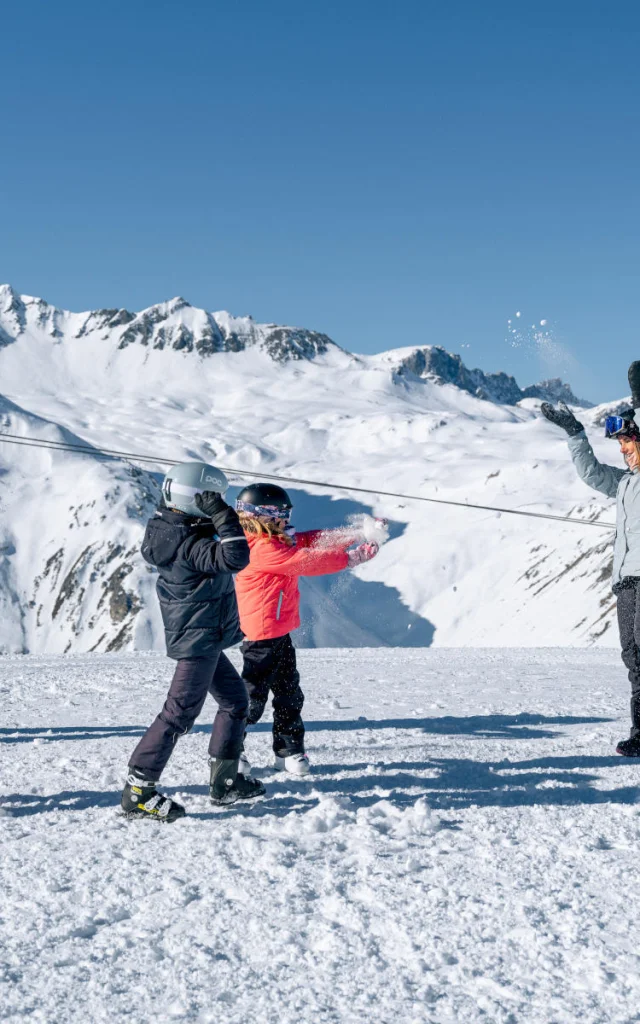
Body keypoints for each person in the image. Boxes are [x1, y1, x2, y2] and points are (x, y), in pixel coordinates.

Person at [120, 462, 265, 822]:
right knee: (179, 713)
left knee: (235, 700)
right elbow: (235, 556)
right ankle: (139, 791)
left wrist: (212, 514)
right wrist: (223, 515)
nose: (220, 503)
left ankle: (225, 782)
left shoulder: (171, 530)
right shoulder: (190, 544)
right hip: (199, 640)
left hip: (204, 636)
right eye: (215, 498)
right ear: (198, 499)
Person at [233, 483, 380, 775]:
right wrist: (350, 558)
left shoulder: (276, 539)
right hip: (259, 636)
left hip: (280, 631)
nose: (285, 518)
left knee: (289, 692)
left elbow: (309, 541)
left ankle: (288, 751)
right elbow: (305, 560)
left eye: (287, 512)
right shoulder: (259, 548)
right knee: (252, 698)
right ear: (258, 515)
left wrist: (356, 534)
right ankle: (230, 751)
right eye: (279, 512)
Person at [541, 361, 640, 756]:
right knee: (634, 658)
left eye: (628, 443)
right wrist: (575, 434)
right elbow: (592, 475)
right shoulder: (625, 483)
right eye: (621, 446)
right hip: (627, 580)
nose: (624, 450)